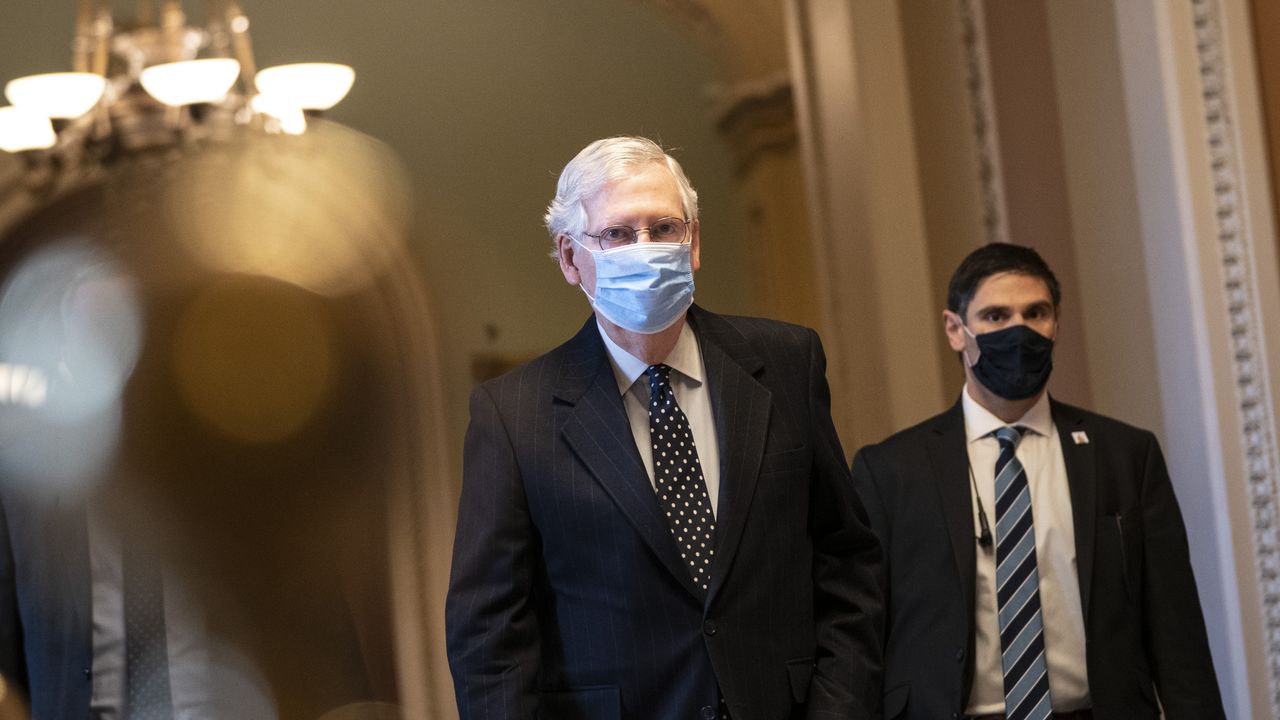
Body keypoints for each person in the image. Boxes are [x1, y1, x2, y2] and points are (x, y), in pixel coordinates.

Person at [445, 136, 883, 720]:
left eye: (664, 228)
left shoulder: (786, 363)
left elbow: (846, 561)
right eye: (618, 235)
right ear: (572, 259)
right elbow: (489, 633)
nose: (645, 249)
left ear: (694, 242)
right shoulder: (513, 414)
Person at [851, 243, 1224, 720]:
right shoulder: (890, 472)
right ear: (954, 330)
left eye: (1036, 313)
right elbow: (862, 636)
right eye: (995, 316)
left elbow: (1178, 634)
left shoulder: (1125, 455)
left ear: (1056, 323)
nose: (1019, 331)